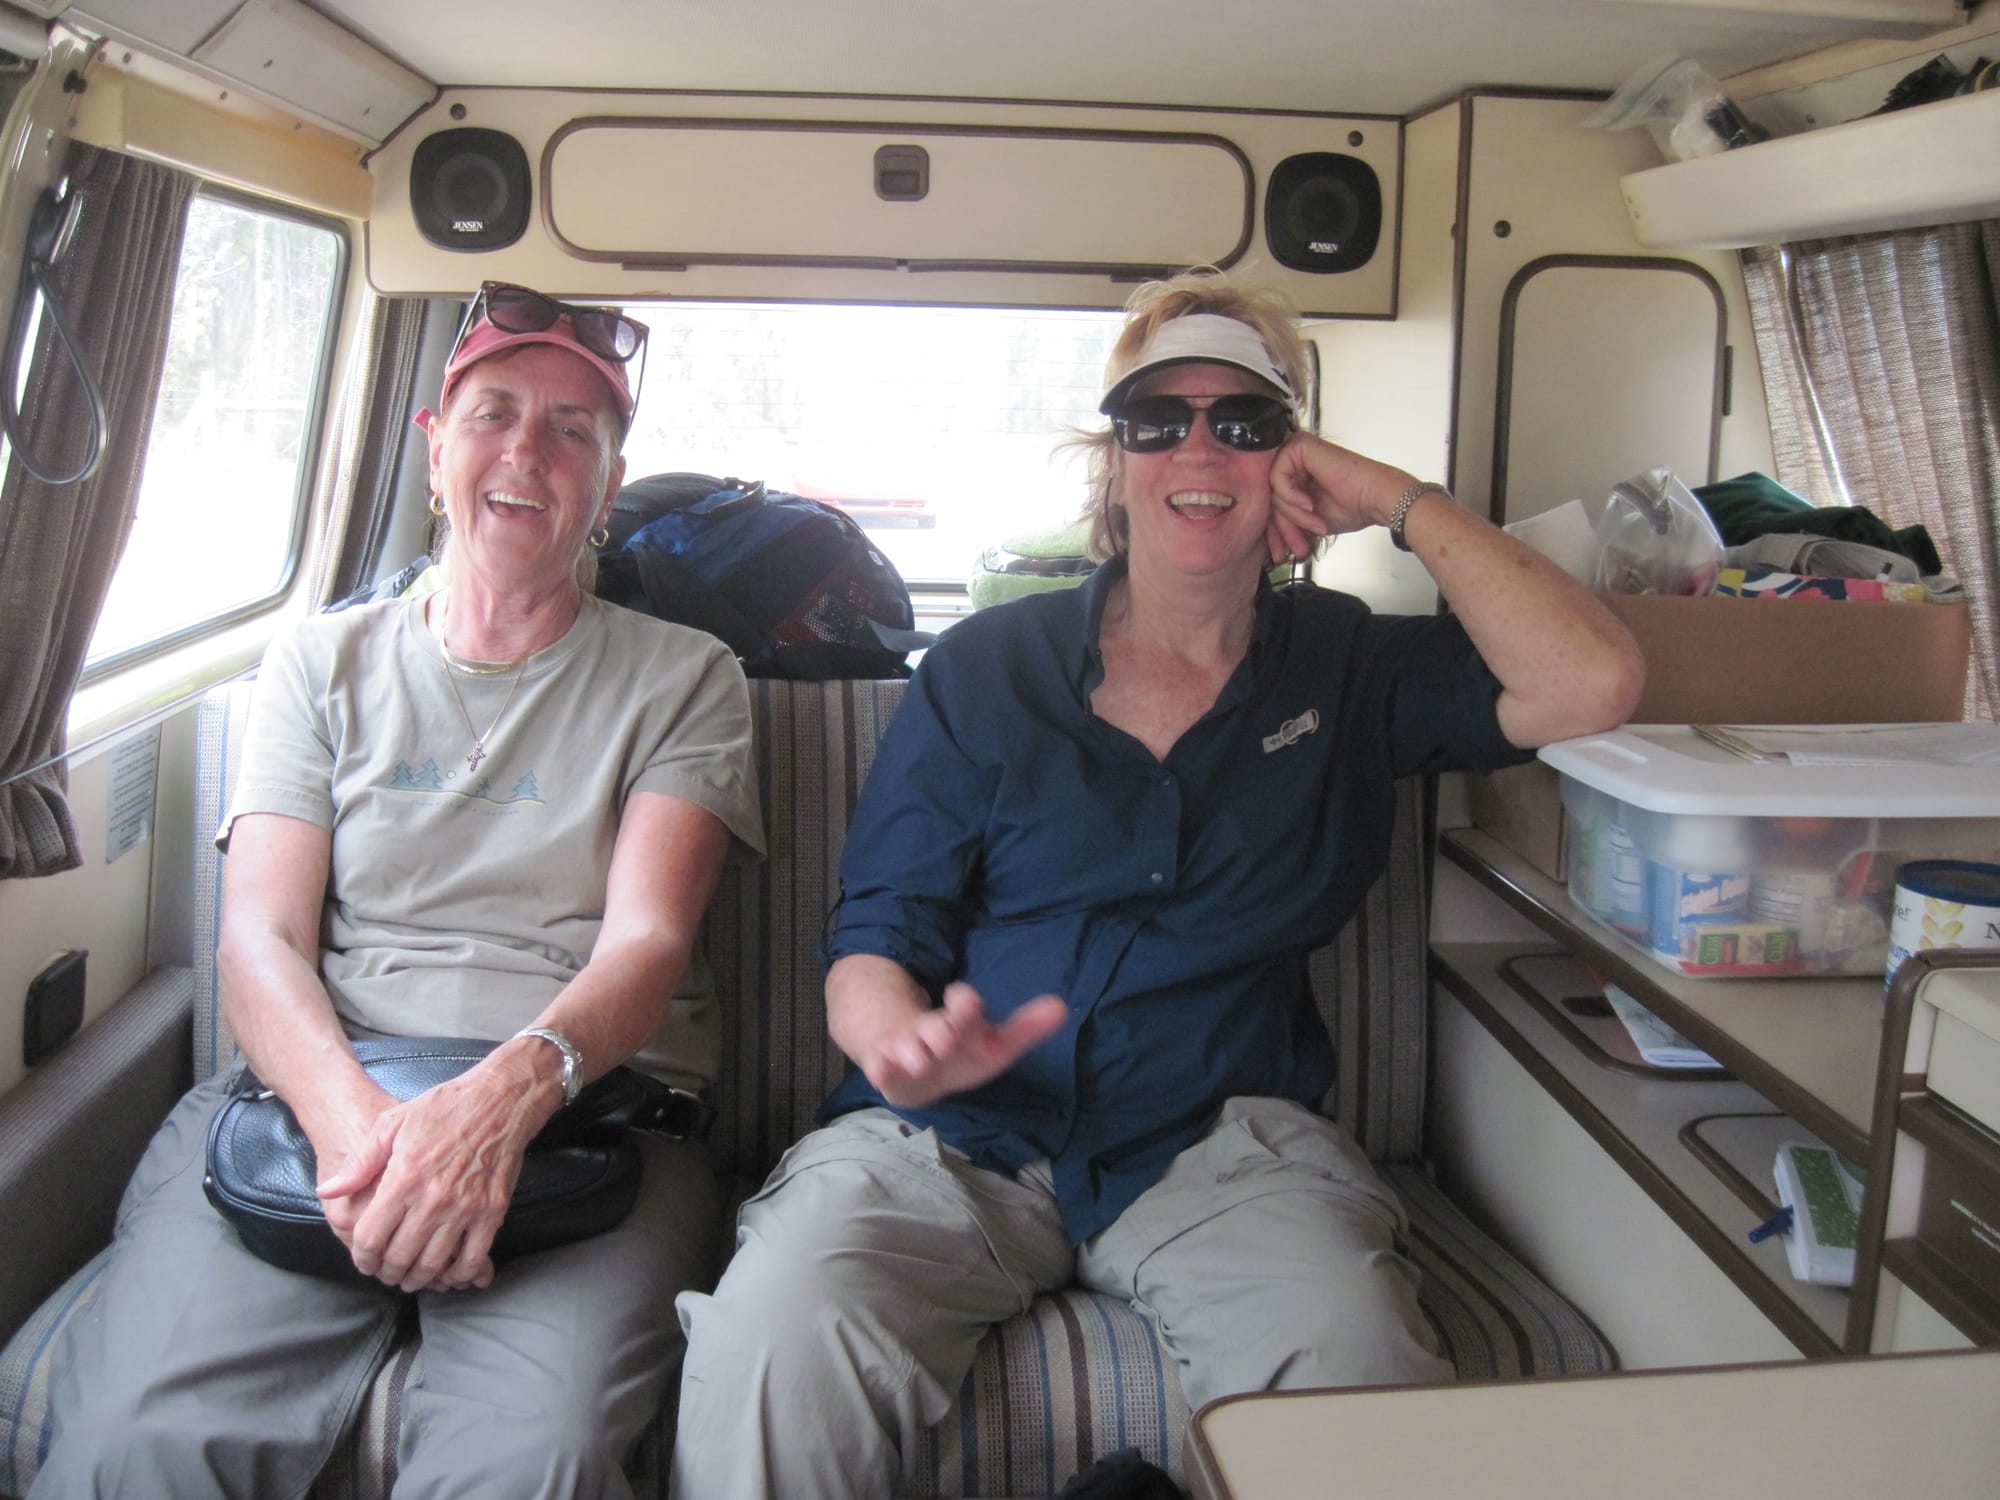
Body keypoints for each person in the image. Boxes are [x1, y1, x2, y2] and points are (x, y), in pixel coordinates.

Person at [671, 270, 1644, 1498]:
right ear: (1113, 457)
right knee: (776, 1340)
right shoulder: (985, 671)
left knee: (1353, 1362)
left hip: (1217, 1146)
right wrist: (897, 1038)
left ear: (1292, 459)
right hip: (949, 1142)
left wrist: (1396, 500)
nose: (1197, 447)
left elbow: (1592, 684)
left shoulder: (1349, 669)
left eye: (1242, 422)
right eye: (1155, 418)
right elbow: (879, 925)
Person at [33, 282, 763, 1500]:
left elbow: (643, 943)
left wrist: (486, 1115)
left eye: (572, 430)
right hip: (325, 1104)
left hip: (592, 1121)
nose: (526, 451)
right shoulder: (318, 662)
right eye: (494, 412)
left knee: (540, 1457)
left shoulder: (685, 679)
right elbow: (259, 939)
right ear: (434, 447)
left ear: (608, 483)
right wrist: (372, 1141)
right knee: (129, 1446)